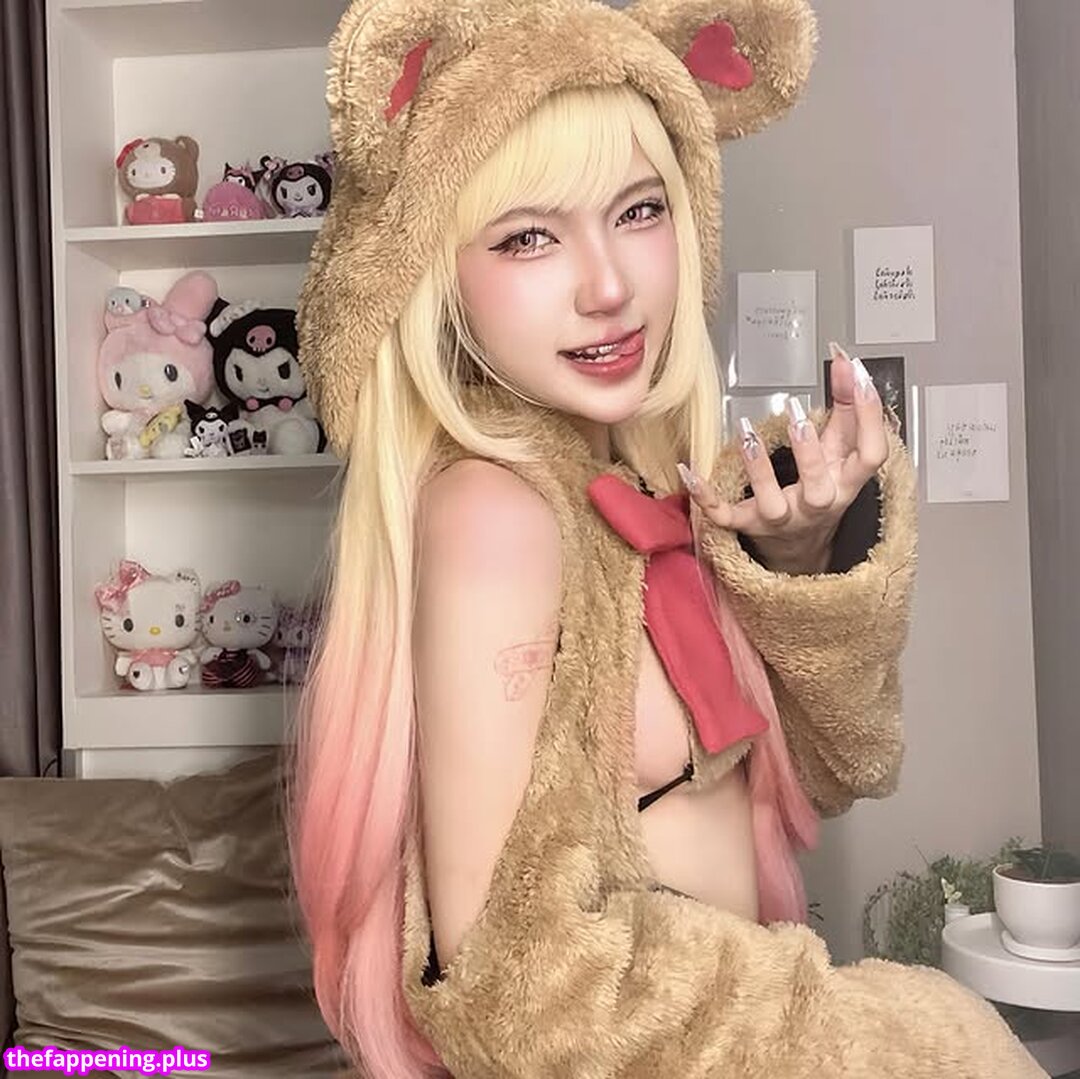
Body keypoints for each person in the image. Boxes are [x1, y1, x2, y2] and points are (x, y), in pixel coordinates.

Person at [287, 0, 1047, 1075]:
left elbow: (841, 765)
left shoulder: (633, 490)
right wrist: (895, 1040)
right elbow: (511, 977)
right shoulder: (496, 515)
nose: (608, 286)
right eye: (529, 235)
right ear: (437, 275)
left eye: (638, 210)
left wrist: (797, 563)